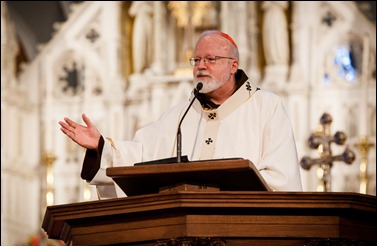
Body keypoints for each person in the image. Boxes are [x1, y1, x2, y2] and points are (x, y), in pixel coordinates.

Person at [59, 30, 303, 198]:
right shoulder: (180, 115)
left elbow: (281, 180)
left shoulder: (266, 107)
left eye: (210, 59)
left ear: (233, 66)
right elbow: (141, 159)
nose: (201, 66)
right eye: (196, 60)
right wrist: (100, 147)